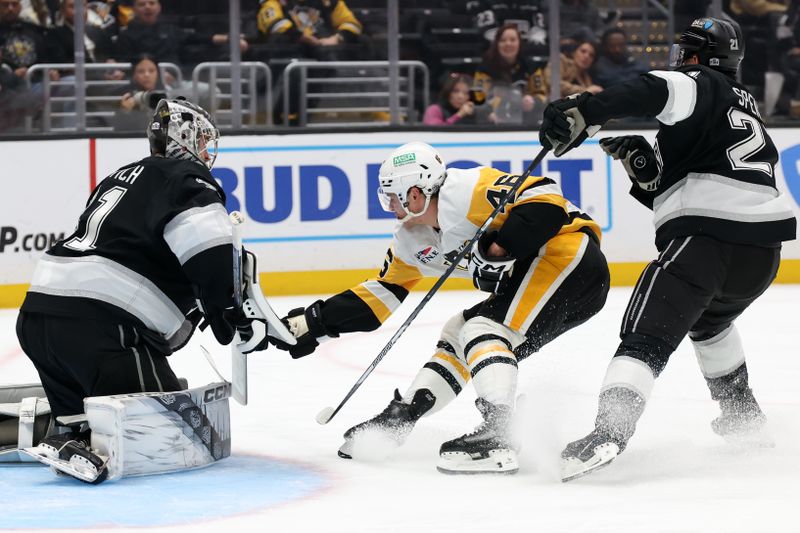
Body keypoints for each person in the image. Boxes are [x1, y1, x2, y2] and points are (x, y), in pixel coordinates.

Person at [538, 17, 797, 481]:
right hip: (761, 254)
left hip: (707, 240)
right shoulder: (741, 106)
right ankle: (743, 419)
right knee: (711, 323)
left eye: (688, 51)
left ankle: (609, 431)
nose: (681, 58)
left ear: (705, 57)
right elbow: (679, 186)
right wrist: (643, 167)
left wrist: (586, 109)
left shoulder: (700, 83)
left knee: (645, 336)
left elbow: (650, 88)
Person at [270, 141, 610, 474]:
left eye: (391, 194)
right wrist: (312, 323)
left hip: (569, 258)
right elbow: (382, 294)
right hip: (557, 282)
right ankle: (402, 417)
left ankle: (500, 432)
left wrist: (500, 245)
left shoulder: (464, 190)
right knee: (459, 331)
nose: (388, 204)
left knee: (483, 330)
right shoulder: (411, 238)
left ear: (414, 193)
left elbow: (547, 199)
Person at [15, 97, 269, 482]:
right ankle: (88, 443)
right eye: (203, 142)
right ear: (187, 138)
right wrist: (227, 308)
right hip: (102, 327)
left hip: (38, 315)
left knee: (80, 417)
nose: (206, 152)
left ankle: (69, 432)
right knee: (178, 429)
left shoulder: (121, 175)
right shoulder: (189, 180)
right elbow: (211, 252)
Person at [473, 23, 548, 124]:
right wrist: (487, 114)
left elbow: (542, 95)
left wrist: (533, 101)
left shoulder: (531, 67)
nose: (508, 44)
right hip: (492, 124)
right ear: (496, 44)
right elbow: (477, 97)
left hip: (526, 122)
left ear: (519, 43)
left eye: (513, 40)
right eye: (503, 40)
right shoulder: (485, 68)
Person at [256, 0, 364, 61]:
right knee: (278, 41)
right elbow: (274, 23)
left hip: (326, 48)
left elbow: (352, 23)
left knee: (364, 42)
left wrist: (337, 38)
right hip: (292, 51)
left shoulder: (330, 2)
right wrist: (302, 37)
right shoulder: (274, 2)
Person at [111, 53, 166, 131]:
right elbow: (118, 129)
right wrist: (124, 112)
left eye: (151, 71)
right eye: (141, 71)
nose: (147, 75)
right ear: (134, 75)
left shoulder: (167, 94)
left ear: (158, 73)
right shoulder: (126, 97)